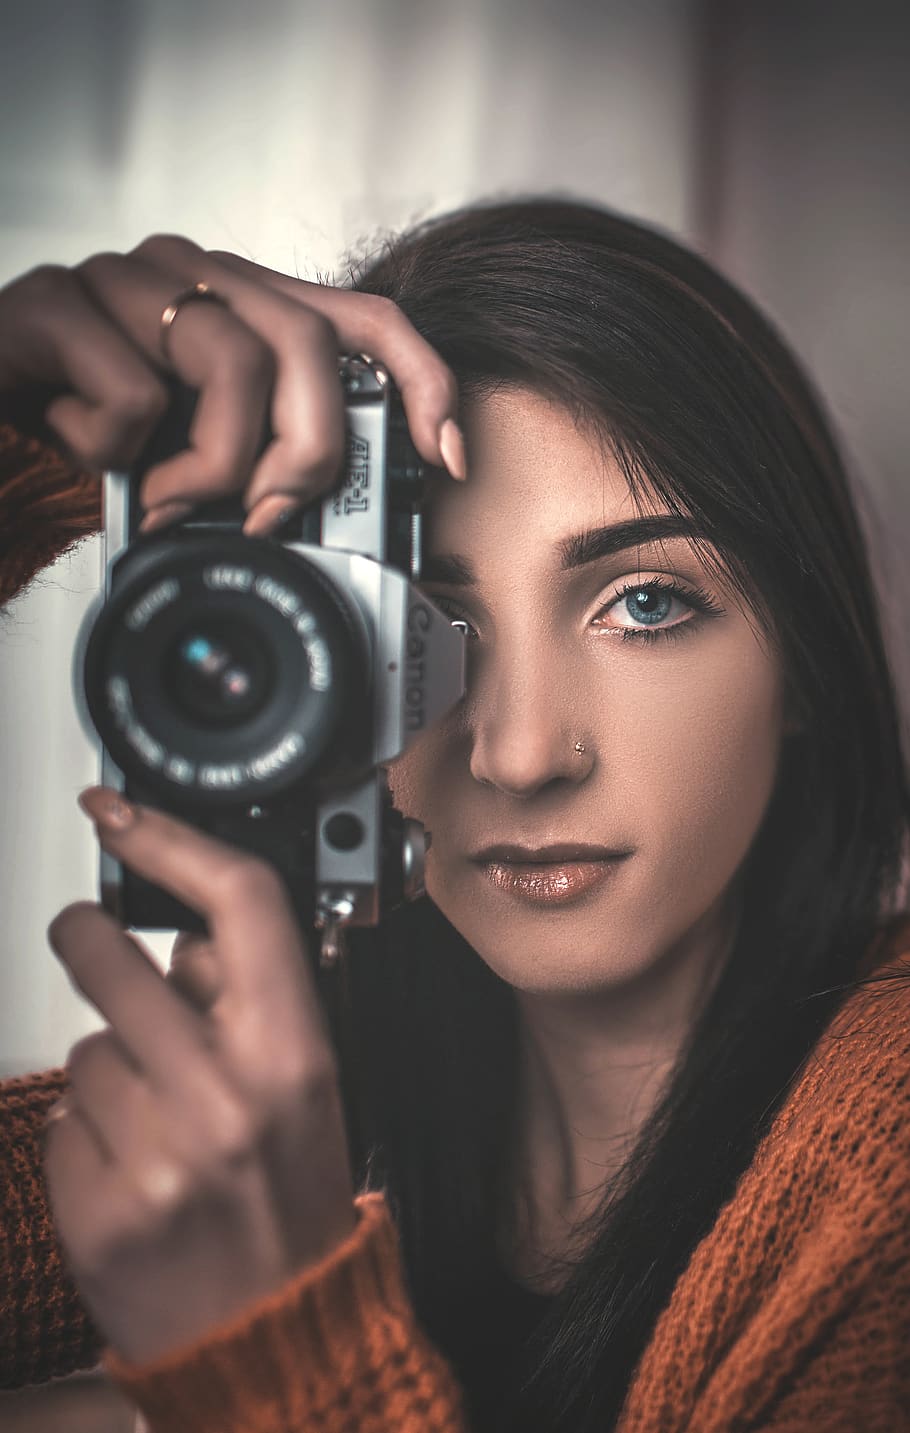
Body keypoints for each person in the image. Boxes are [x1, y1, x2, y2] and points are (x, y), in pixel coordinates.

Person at [0, 199, 908, 1433]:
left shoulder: (886, 1161)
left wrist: (280, 1360)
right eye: (426, 627)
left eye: (644, 604)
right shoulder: (315, 1096)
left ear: (801, 659)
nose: (521, 753)